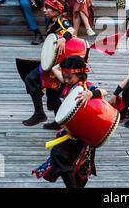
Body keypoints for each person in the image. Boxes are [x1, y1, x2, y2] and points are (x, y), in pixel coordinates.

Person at [33, 55, 107, 188]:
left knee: (66, 159)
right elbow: (56, 68)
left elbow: (104, 91)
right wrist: (68, 58)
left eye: (69, 77)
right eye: (64, 76)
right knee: (62, 158)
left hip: (83, 135)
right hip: (72, 131)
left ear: (80, 74)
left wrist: (91, 94)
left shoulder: (85, 87)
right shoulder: (69, 83)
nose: (66, 80)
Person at [16, 0, 76, 128]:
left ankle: (39, 114)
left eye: (47, 8)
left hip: (56, 65)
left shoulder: (61, 20)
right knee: (52, 95)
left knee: (31, 80)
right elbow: (39, 6)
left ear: (55, 11)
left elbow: (72, 29)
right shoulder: (52, 19)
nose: (44, 10)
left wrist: (63, 39)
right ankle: (60, 123)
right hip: (53, 62)